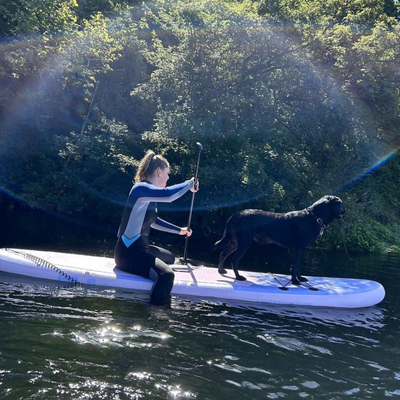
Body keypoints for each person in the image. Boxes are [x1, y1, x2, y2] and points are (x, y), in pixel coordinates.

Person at [114, 150, 199, 305]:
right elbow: (169, 195)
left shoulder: (149, 196)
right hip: (128, 254)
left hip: (142, 249)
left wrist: (180, 230)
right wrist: (189, 184)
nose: (168, 178)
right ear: (159, 172)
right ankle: (154, 314)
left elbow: (154, 221)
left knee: (171, 258)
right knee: (166, 274)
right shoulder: (140, 189)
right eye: (167, 174)